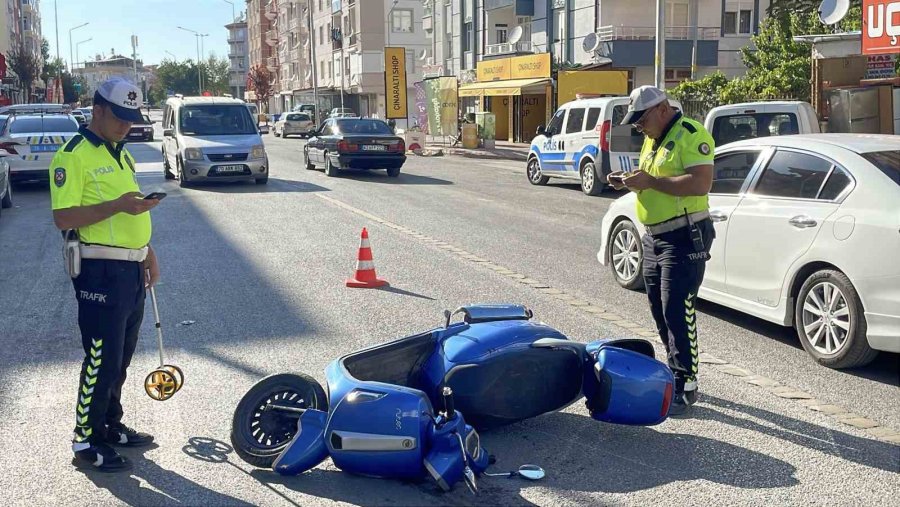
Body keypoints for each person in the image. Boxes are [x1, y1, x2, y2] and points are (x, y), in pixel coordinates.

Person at [50, 77, 162, 471]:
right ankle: (85, 441)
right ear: (97, 110)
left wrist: (147, 252)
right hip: (99, 271)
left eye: (132, 119)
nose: (126, 125)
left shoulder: (121, 154)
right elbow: (63, 217)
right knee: (101, 357)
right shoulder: (72, 155)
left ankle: (110, 426)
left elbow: (130, 210)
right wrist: (116, 207)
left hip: (130, 268)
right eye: (119, 117)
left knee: (122, 356)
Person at [609, 85, 716, 416]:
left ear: (661, 109)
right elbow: (653, 178)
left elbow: (700, 183)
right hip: (655, 237)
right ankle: (673, 370)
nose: (639, 127)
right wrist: (628, 180)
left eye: (641, 120)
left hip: (685, 235)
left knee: (677, 309)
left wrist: (650, 183)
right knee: (658, 307)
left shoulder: (690, 134)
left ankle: (687, 382)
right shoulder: (652, 139)